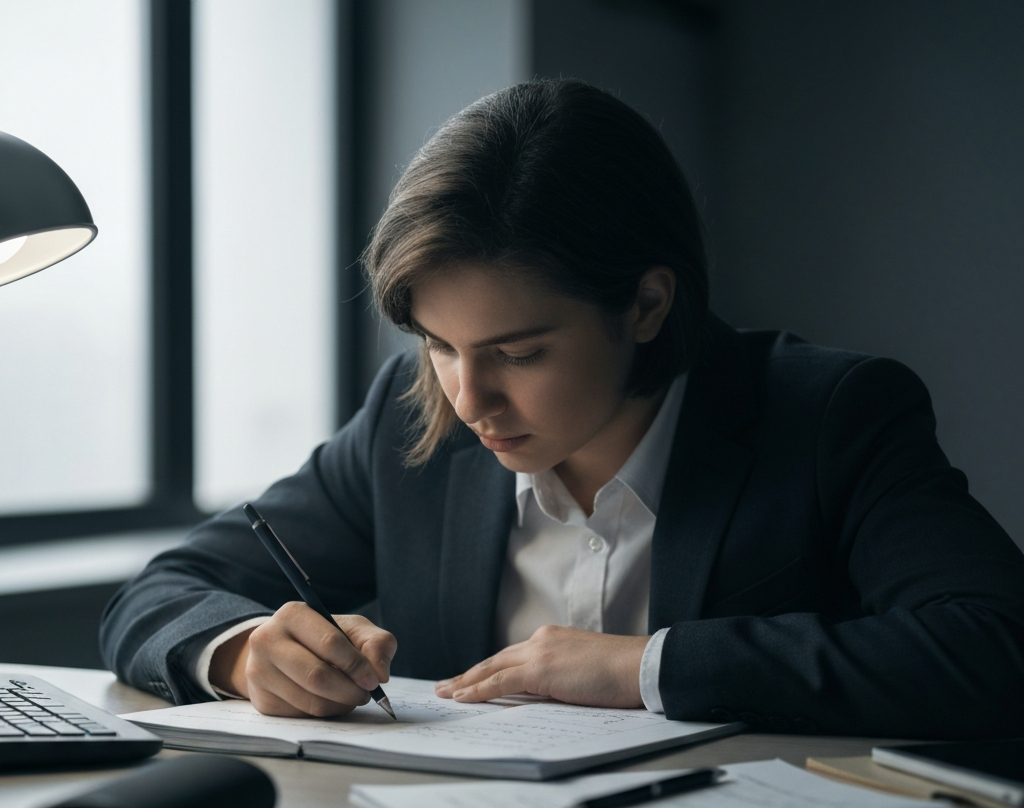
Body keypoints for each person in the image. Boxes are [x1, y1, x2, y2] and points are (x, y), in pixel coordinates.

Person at [101, 80, 1024, 738]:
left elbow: (993, 648)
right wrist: (243, 651)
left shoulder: (828, 417)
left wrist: (642, 668)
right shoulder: (407, 422)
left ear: (648, 305)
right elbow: (160, 594)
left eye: (520, 353)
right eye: (439, 345)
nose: (469, 400)